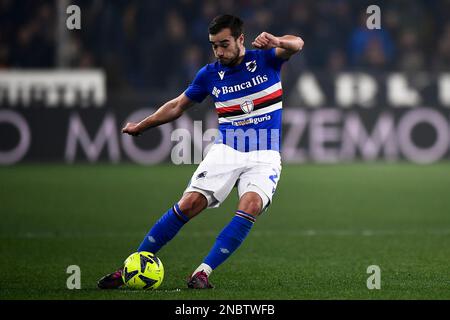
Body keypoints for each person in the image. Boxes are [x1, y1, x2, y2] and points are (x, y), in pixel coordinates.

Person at [97, 14, 303, 289]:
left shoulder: (266, 58)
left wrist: (277, 40)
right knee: (189, 204)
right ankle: (128, 269)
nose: (219, 51)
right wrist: (143, 125)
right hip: (226, 150)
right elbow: (177, 105)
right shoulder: (208, 75)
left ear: (241, 39)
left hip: (265, 155)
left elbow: (297, 43)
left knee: (250, 206)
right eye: (214, 45)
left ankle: (202, 273)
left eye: (224, 44)